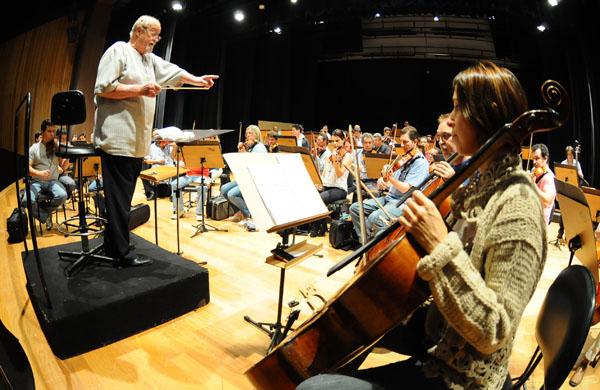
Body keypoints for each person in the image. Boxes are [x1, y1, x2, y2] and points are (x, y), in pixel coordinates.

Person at [299, 61, 547, 390]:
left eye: (459, 107)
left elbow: (493, 333)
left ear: (485, 114)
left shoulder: (518, 207)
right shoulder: (478, 182)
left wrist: (439, 243)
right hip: (439, 329)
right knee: (351, 326)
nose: (451, 118)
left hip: (464, 373)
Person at [93, 14, 218, 266]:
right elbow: (102, 88)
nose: (156, 40)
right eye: (153, 34)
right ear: (139, 30)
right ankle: (120, 253)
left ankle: (112, 244)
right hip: (117, 140)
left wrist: (198, 81)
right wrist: (140, 89)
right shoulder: (119, 50)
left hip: (135, 143)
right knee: (118, 200)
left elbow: (174, 72)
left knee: (123, 199)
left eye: (158, 35)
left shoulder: (148, 60)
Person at [349, 126, 429, 243]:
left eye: (405, 142)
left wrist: (390, 178)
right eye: (400, 141)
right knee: (355, 208)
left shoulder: (421, 163)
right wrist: (383, 181)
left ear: (415, 142)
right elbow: (391, 183)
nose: (401, 145)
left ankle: (374, 244)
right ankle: (365, 242)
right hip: (388, 198)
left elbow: (406, 189)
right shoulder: (403, 158)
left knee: (374, 217)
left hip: (403, 202)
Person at [25, 119, 70, 230]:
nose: (52, 134)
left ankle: (43, 213)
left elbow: (63, 167)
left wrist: (67, 160)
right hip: (37, 181)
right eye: (49, 131)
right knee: (26, 200)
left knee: (63, 195)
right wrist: (39, 173)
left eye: (53, 131)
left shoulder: (56, 146)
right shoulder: (34, 149)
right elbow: (27, 168)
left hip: (53, 181)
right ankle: (46, 215)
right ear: (42, 132)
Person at [309, 129, 353, 237]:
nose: (335, 143)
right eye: (332, 141)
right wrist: (320, 184)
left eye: (337, 140)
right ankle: (321, 225)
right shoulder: (330, 154)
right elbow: (324, 174)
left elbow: (339, 174)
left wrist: (335, 161)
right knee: (311, 194)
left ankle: (318, 226)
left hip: (339, 189)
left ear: (343, 140)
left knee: (318, 199)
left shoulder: (347, 156)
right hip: (327, 186)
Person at [222, 125, 267, 227]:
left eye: (250, 133)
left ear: (256, 134)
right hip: (245, 178)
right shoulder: (249, 147)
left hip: (254, 179)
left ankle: (250, 216)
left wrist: (245, 153)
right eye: (246, 133)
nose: (247, 135)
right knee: (224, 189)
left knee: (232, 194)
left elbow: (255, 164)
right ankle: (238, 213)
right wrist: (240, 153)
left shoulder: (259, 147)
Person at [530, 143, 556, 225]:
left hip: (539, 224)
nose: (534, 162)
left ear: (545, 158)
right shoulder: (534, 170)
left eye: (537, 158)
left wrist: (533, 185)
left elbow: (547, 201)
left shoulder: (549, 177)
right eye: (533, 159)